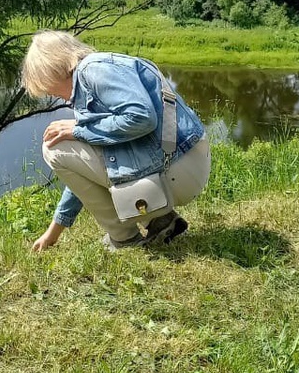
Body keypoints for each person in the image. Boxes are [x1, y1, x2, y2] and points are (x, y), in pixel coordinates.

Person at [21, 30, 210, 253]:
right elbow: (83, 175)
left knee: (53, 148)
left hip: (177, 165)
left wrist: (79, 129)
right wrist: (53, 232)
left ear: (54, 68)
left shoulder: (92, 70)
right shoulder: (99, 72)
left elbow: (142, 118)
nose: (55, 95)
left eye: (49, 86)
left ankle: (124, 238)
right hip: (183, 163)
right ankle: (161, 221)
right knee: (66, 146)